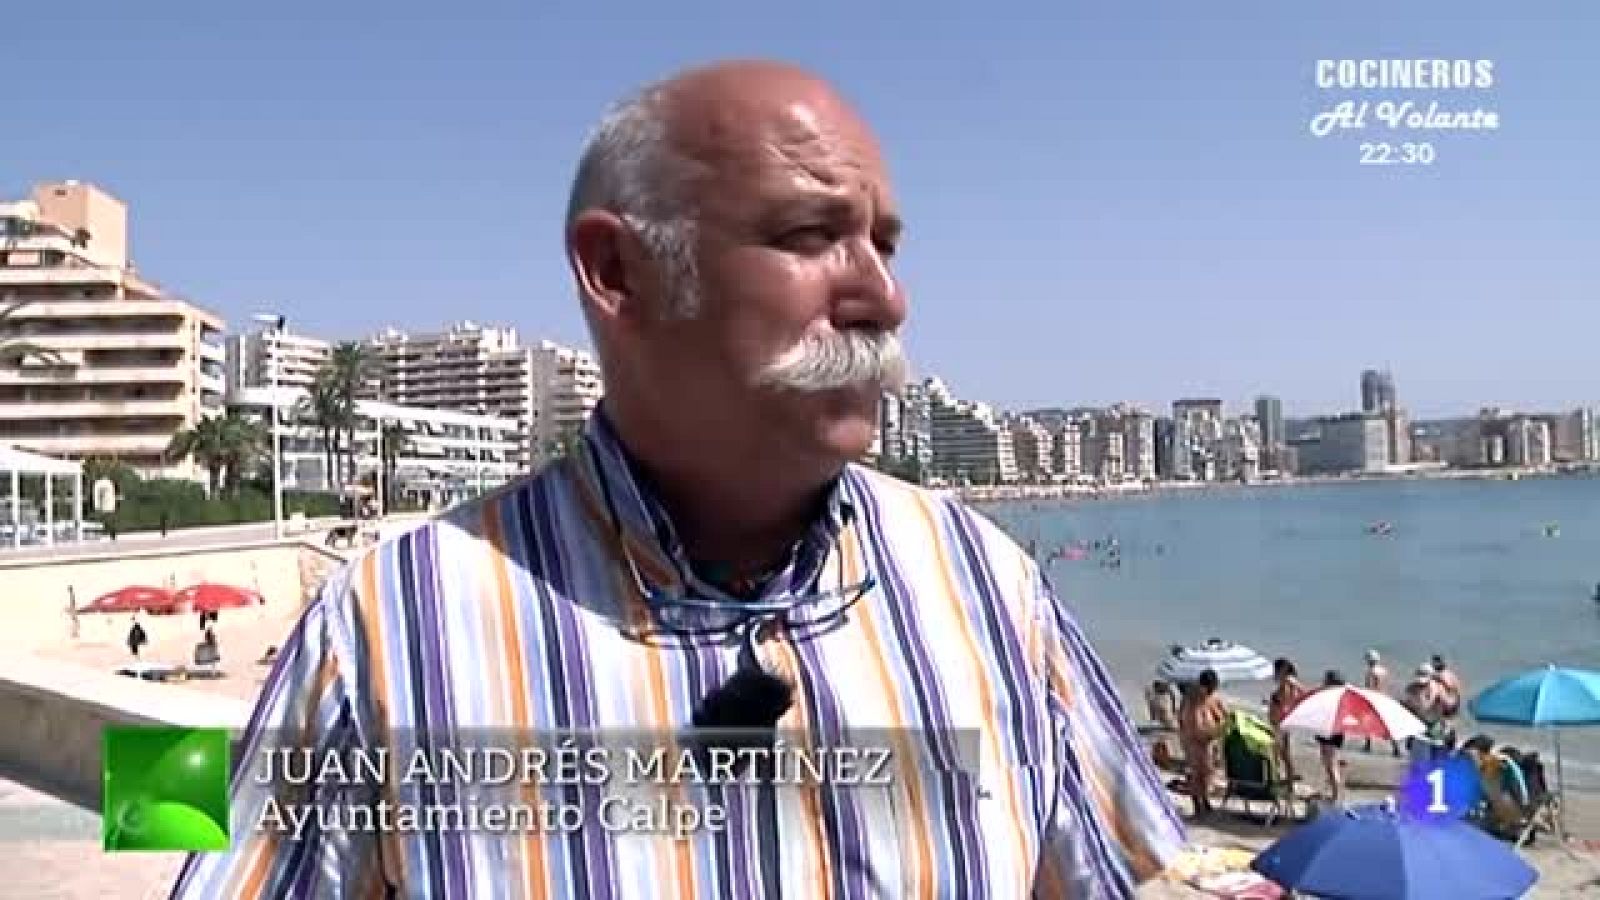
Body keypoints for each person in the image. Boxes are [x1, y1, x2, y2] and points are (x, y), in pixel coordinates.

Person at [171, 60, 1185, 898]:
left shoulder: (994, 591)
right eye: (810, 235)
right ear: (618, 271)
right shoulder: (380, 625)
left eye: (882, 243)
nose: (884, 295)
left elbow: (1147, 880)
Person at [1178, 669, 1228, 817]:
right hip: (1193, 740)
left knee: (1207, 772)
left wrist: (1220, 724)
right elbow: (1193, 724)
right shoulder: (1191, 701)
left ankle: (1205, 800)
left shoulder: (1213, 698)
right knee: (1196, 772)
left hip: (1207, 740)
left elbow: (1224, 715)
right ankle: (1197, 804)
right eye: (1210, 688)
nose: (1211, 690)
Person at [1268, 657, 1307, 783]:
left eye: (1276, 669)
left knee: (1282, 753)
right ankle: (1285, 777)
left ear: (1282, 669)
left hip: (1281, 722)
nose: (1274, 672)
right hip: (1281, 721)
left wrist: (1283, 705)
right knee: (1281, 752)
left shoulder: (1288, 681)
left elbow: (1300, 695)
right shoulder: (1288, 682)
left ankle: (1287, 779)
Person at [1314, 670, 1348, 806]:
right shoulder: (1340, 696)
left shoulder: (1331, 696)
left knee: (1330, 763)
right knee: (1329, 762)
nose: (1324, 681)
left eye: (1326, 680)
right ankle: (1334, 794)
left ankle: (1335, 796)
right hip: (1334, 730)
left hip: (1330, 731)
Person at [1361, 649, 1400, 756]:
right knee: (1387, 725)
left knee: (1367, 722)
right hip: (1384, 698)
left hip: (1374, 699)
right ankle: (1396, 748)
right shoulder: (1383, 671)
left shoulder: (1370, 672)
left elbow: (1369, 687)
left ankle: (1367, 745)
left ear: (1369, 660)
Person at [1432, 654, 1464, 748]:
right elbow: (1458, 691)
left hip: (1447, 705)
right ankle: (1446, 743)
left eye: (1437, 662)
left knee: (1445, 727)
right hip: (1446, 705)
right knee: (1444, 726)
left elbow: (1455, 689)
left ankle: (1446, 743)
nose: (1435, 664)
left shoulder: (1444, 675)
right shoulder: (1443, 675)